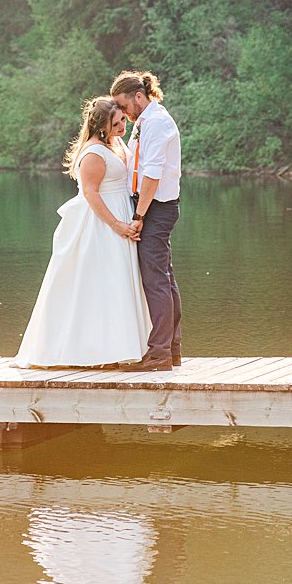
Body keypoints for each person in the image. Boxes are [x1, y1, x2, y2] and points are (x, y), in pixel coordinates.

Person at [14, 97, 151, 369]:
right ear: (101, 125)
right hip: (99, 223)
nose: (122, 126)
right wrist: (117, 225)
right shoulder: (93, 153)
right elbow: (90, 193)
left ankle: (120, 347)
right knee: (97, 283)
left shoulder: (116, 143)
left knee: (117, 283)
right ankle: (87, 350)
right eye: (116, 123)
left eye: (122, 120)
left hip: (122, 213)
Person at [111, 69, 181, 369]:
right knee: (164, 278)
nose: (123, 113)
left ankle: (159, 353)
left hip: (156, 208)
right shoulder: (146, 122)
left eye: (124, 105)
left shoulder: (157, 123)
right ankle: (171, 349)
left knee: (156, 281)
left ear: (139, 96)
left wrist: (139, 215)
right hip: (153, 206)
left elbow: (152, 174)